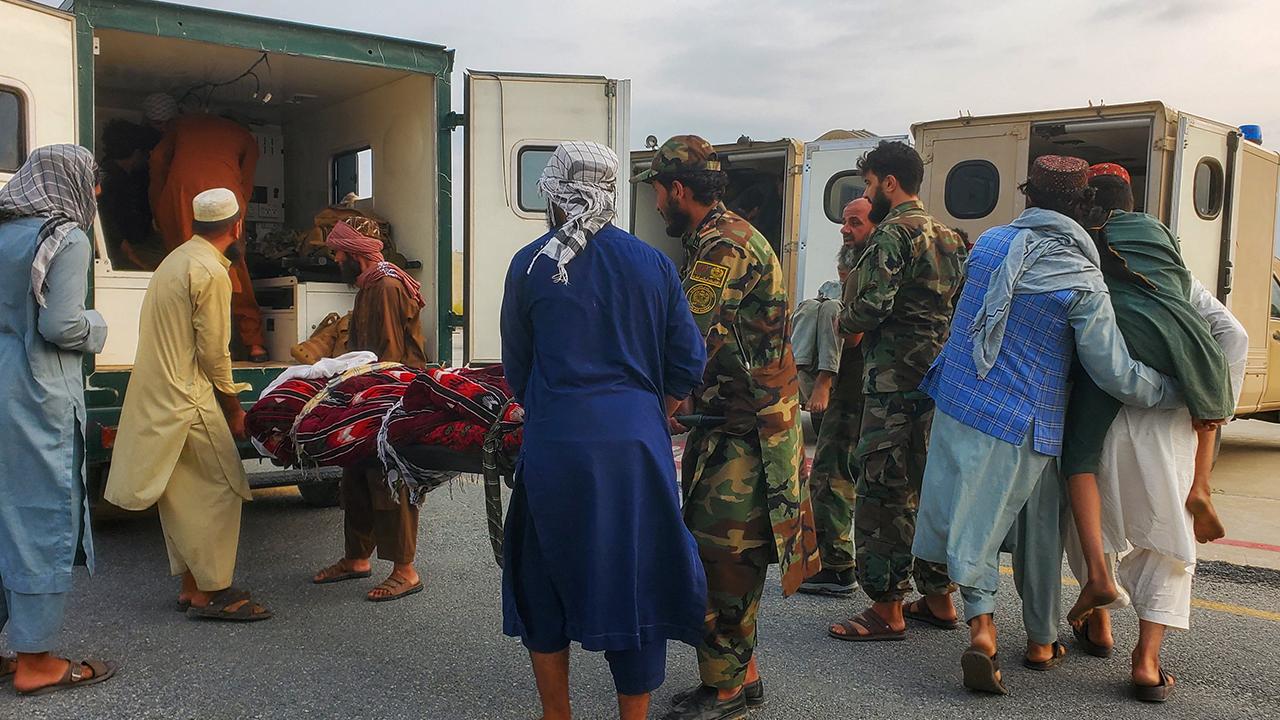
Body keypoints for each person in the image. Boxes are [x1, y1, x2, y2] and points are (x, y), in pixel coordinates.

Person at [911, 155, 1181, 695]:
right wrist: (1172, 389)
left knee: (972, 522)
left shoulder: (988, 245)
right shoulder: (1081, 277)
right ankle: (1039, 640)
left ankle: (983, 629)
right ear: (1083, 208)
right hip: (1027, 420)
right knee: (1039, 530)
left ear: (1029, 197)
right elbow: (1114, 373)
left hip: (959, 399)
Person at [499, 141, 708, 720]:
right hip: (637, 452)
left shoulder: (532, 264)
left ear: (557, 195)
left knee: (543, 579)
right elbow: (687, 362)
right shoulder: (654, 263)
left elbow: (519, 366)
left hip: (556, 448)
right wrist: (645, 409)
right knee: (632, 577)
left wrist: (556, 408)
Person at [634, 135, 819, 720]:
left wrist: (654, 400)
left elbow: (688, 338)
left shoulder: (722, 245)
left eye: (660, 192)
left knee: (724, 556)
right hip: (735, 422)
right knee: (729, 554)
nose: (659, 204)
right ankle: (745, 675)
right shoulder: (715, 238)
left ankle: (725, 691)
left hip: (750, 432)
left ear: (679, 190)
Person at [1062, 163, 1245, 703]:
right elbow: (1232, 336)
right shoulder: (1174, 271)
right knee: (1167, 540)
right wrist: (1210, 402)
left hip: (1103, 412)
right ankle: (1146, 663)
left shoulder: (1085, 258)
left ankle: (1098, 619)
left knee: (1093, 524)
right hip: (1168, 428)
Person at [105, 188, 272, 622]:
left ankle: (190, 585)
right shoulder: (212, 273)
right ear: (236, 227)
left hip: (157, 395)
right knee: (222, 487)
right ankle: (212, 592)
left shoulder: (174, 261)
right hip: (188, 397)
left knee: (181, 493)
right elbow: (214, 353)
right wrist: (235, 410)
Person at [828, 141, 965, 642]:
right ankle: (938, 598)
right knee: (929, 487)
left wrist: (843, 315)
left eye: (868, 183)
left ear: (888, 183)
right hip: (937, 381)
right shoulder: (950, 236)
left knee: (883, 491)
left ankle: (887, 609)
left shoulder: (891, 234)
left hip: (891, 385)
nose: (868, 192)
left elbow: (868, 309)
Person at [0, 145, 117, 696]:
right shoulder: (64, 237)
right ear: (71, 180)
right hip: (35, 388)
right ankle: (36, 659)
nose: (95, 195)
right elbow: (62, 326)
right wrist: (98, 325)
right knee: (39, 512)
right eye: (92, 183)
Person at [311, 219, 428, 601]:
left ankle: (406, 570)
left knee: (390, 480)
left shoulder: (385, 286)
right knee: (355, 476)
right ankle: (357, 558)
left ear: (355, 252)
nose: (335, 258)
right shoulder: (370, 285)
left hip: (388, 396)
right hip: (367, 392)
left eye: (338, 251)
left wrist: (376, 399)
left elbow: (391, 353)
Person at [799, 197, 875, 598]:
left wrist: (823, 378)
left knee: (830, 475)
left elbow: (854, 331)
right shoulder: (888, 262)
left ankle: (836, 565)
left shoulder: (872, 267)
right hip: (878, 388)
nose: (845, 228)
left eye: (854, 222)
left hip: (853, 387)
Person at [149, 111, 268, 362]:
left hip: (181, 193)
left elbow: (158, 160)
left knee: (183, 268)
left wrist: (159, 205)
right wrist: (238, 218)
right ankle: (254, 344)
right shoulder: (245, 137)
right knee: (234, 266)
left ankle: (186, 344)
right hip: (227, 196)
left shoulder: (182, 125)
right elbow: (246, 185)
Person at [98, 119, 163, 269]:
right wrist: (133, 256)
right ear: (137, 153)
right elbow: (108, 223)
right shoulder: (114, 181)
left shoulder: (107, 173)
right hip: (120, 253)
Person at [790, 279, 842, 431]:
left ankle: (824, 380)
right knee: (808, 307)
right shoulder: (826, 290)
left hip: (842, 326)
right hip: (808, 357)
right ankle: (795, 372)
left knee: (832, 308)